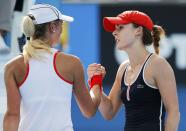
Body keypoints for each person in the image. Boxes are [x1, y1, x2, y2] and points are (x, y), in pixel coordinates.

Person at [3, 4, 103, 131]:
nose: (62, 28)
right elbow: (89, 111)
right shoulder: (72, 63)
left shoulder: (12, 67)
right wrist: (96, 80)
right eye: (61, 23)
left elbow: (12, 115)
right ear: (52, 27)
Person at [88, 10, 180, 131]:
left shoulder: (158, 64)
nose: (114, 33)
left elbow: (174, 113)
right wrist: (95, 82)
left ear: (138, 31)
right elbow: (108, 112)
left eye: (120, 28)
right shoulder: (123, 69)